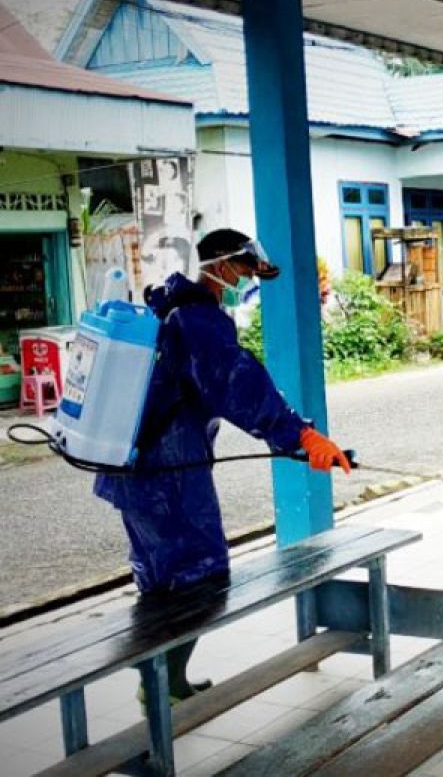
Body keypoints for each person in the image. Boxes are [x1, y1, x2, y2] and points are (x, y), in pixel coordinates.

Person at [95, 228, 350, 703]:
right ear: (221, 266)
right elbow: (236, 382)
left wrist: (294, 438)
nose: (249, 279)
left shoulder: (177, 309)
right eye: (246, 271)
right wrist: (299, 434)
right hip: (165, 474)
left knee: (165, 580)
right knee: (200, 575)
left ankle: (165, 682)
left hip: (145, 470)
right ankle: (158, 687)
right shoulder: (196, 319)